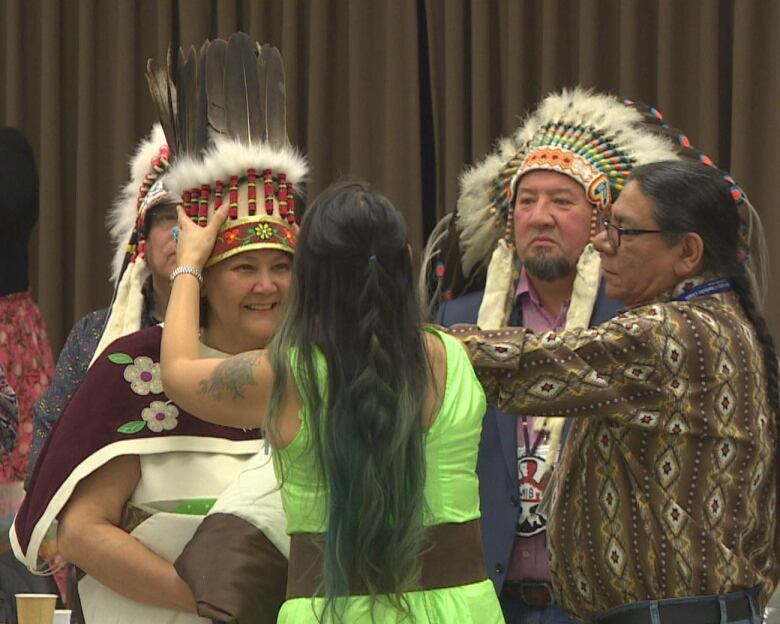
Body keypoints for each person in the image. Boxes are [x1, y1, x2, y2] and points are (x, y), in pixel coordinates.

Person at [12, 34, 303, 624]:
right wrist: (208, 599)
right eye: (245, 268)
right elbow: (81, 532)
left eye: (280, 268)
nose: (266, 286)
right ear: (204, 275)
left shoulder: (317, 371)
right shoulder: (135, 371)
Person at [160, 180, 504, 623]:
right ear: (408, 261)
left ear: (307, 278)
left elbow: (178, 369)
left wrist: (189, 263)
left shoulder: (286, 376)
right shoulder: (455, 358)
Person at [451, 159, 777, 624]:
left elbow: (528, 365)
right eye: (606, 225)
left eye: (623, 231)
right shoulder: (718, 322)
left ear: (687, 252)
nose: (601, 243)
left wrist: (412, 343)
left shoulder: (668, 333)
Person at [425, 88, 688, 623]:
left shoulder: (637, 325)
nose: (540, 216)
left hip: (602, 606)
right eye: (527, 201)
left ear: (602, 220)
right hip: (486, 602)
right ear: (508, 218)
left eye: (562, 202)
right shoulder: (460, 322)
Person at [27, 123, 176, 481]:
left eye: (195, 217)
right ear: (142, 238)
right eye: (167, 217)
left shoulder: (239, 334)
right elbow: (48, 445)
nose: (180, 232)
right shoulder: (93, 336)